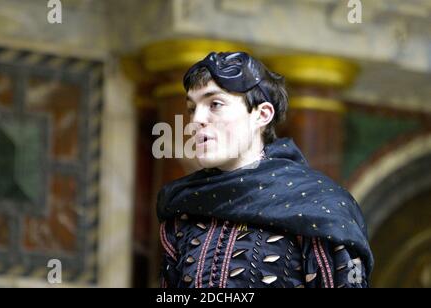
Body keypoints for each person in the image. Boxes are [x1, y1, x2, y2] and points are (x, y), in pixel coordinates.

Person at [156, 51, 373, 288]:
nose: (196, 119)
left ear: (262, 114)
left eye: (215, 104)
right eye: (191, 108)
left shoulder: (321, 207)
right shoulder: (183, 208)